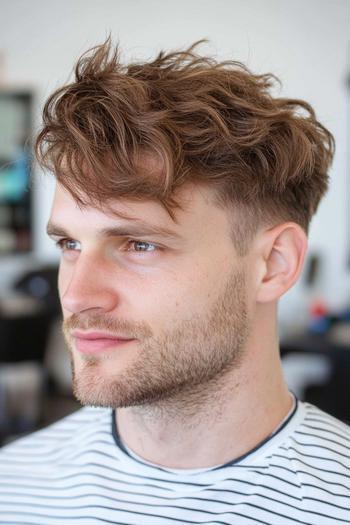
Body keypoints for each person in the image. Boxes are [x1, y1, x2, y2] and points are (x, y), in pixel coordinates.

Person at [0, 39, 348, 525]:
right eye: (70, 245)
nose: (76, 295)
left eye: (140, 245)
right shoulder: (14, 487)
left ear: (272, 263)